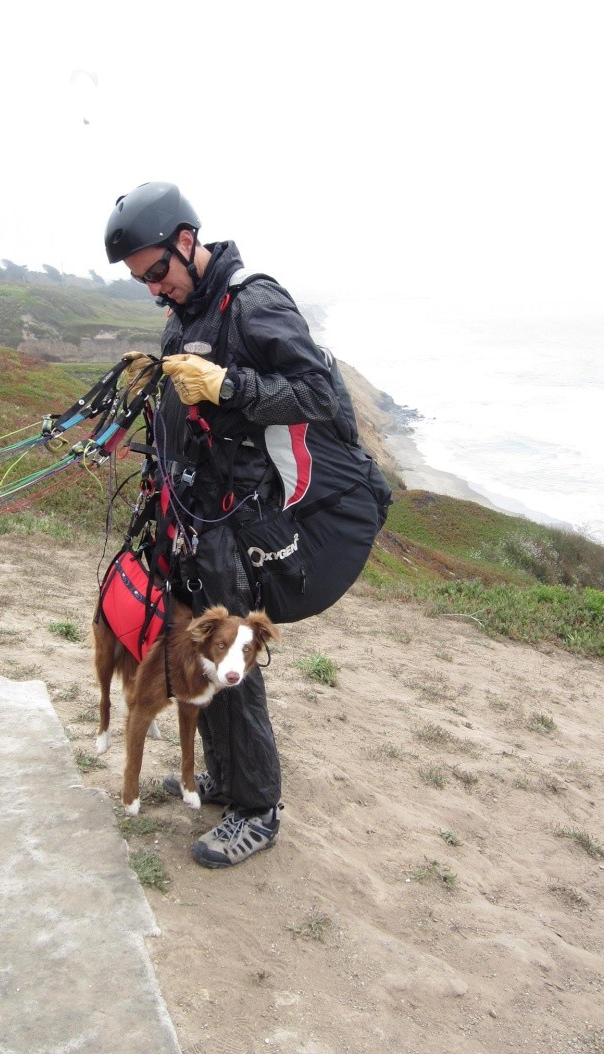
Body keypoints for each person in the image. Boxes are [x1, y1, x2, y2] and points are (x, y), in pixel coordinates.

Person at [104, 181, 346, 868]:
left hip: (243, 520)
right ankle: (226, 779)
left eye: (158, 272)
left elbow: (320, 395)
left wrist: (231, 386)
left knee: (235, 658)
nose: (155, 289)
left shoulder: (253, 301)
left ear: (187, 241)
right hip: (194, 516)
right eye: (141, 281)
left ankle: (259, 808)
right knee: (201, 650)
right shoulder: (182, 316)